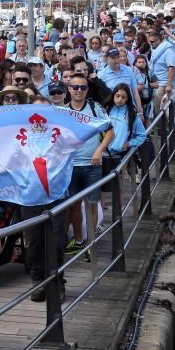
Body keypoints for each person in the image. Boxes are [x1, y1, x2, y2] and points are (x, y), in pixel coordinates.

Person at [64, 73, 114, 258]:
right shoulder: (63, 111)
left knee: (92, 204)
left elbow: (110, 133)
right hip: (71, 166)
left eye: (83, 87)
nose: (79, 91)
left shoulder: (95, 109)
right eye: (75, 87)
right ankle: (78, 240)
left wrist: (98, 151)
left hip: (92, 165)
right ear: (69, 89)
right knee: (74, 206)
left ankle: (91, 243)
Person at [98, 48, 144, 119]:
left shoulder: (128, 70)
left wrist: (140, 112)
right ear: (107, 59)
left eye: (117, 57)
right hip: (112, 112)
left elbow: (135, 92)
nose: (116, 60)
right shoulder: (101, 75)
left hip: (129, 110)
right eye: (113, 58)